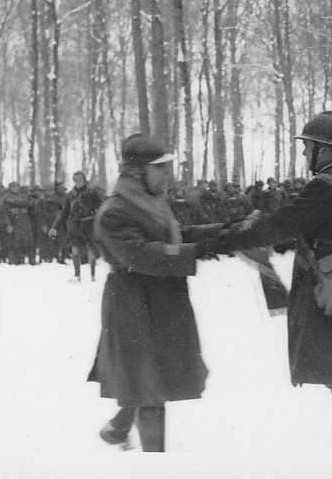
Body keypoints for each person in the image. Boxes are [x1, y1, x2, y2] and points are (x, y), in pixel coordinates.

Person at [215, 111, 332, 452]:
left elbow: (283, 224)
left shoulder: (326, 185)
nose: (304, 155)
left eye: (307, 148)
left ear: (323, 148)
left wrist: (232, 236)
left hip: (330, 290)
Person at [88, 134, 227, 452]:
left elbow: (174, 237)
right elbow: (142, 255)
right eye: (161, 169)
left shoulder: (151, 204)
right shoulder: (114, 210)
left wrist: (224, 233)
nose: (168, 176)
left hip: (162, 301)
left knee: (152, 378)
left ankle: (120, 427)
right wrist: (199, 249)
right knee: (149, 388)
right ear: (137, 173)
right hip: (133, 304)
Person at [50, 171, 105, 282]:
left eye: (80, 179)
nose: (78, 182)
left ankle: (93, 274)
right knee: (74, 249)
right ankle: (77, 274)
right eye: (76, 180)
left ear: (84, 180)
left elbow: (101, 208)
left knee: (91, 250)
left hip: (89, 224)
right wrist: (55, 227)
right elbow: (64, 213)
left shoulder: (93, 193)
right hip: (75, 225)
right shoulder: (70, 195)